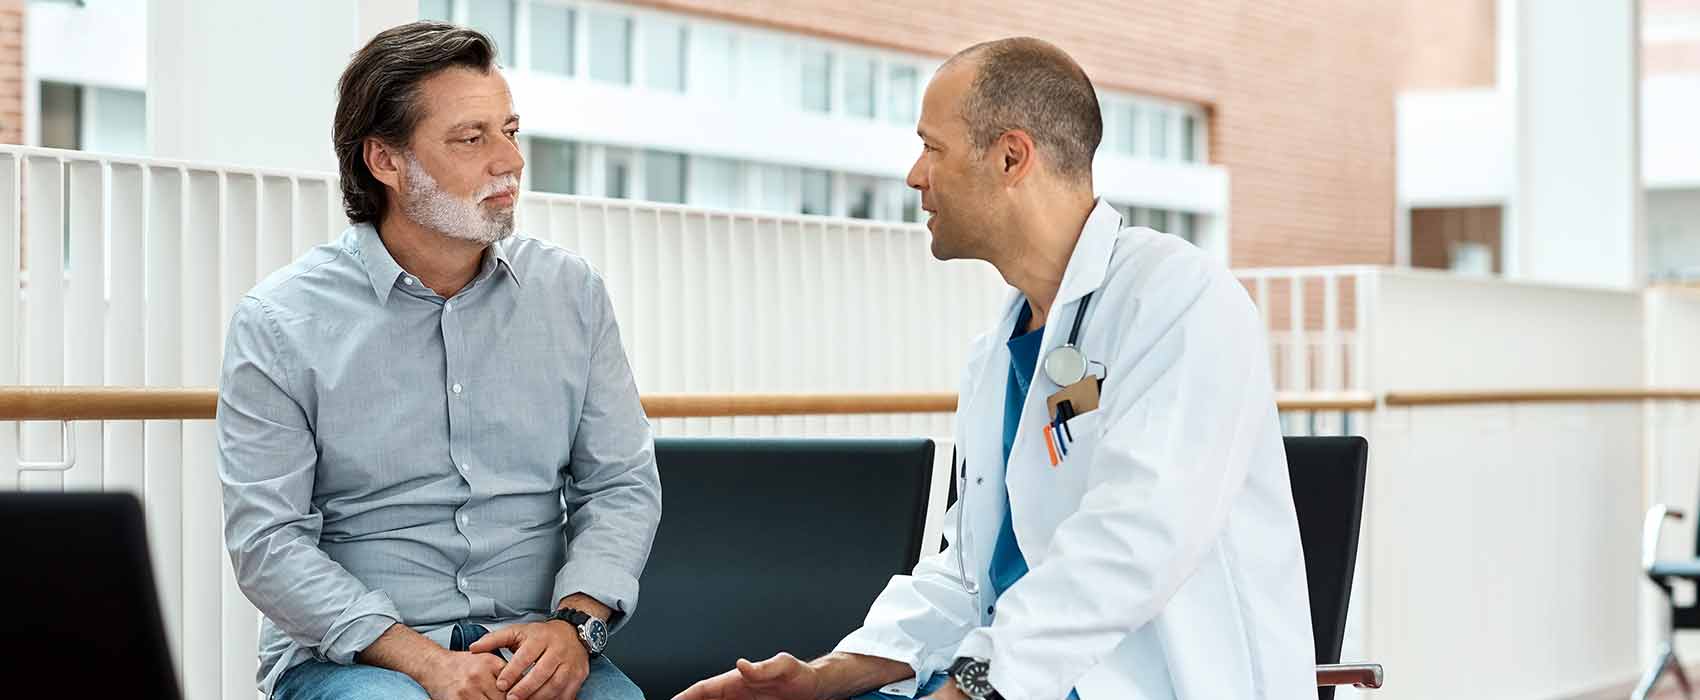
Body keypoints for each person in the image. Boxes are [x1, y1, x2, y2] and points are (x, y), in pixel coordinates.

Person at [676, 37, 1313, 700]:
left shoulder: (1180, 301)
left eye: (933, 147)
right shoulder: (998, 351)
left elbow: (1130, 545)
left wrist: (973, 686)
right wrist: (826, 678)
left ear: (1012, 157)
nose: (915, 175)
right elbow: (968, 578)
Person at [216, 21, 659, 700]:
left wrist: (576, 627)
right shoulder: (280, 322)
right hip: (361, 659)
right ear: (386, 162)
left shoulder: (572, 294)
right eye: (470, 138)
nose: (508, 160)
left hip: (536, 643)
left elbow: (621, 484)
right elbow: (268, 542)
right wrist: (424, 661)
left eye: (509, 130)